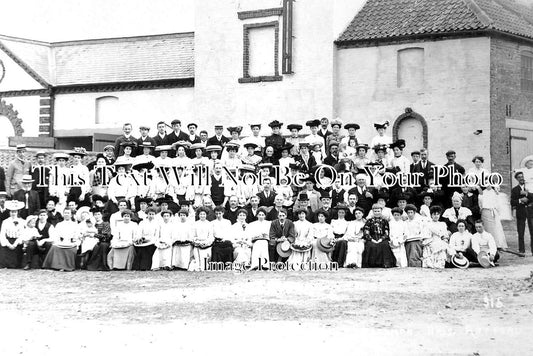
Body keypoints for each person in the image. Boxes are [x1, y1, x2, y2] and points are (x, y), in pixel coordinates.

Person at [479, 185, 508, 250]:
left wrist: (496, 211)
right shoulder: (482, 192)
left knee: (495, 229)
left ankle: (497, 244)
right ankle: (487, 245)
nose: (487, 185)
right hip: (485, 212)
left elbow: (498, 203)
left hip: (493, 212)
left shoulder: (495, 192)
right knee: (486, 229)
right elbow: (480, 204)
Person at [511, 171, 533, 255]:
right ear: (517, 179)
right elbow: (512, 202)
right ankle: (521, 250)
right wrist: (520, 200)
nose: (521, 178)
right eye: (519, 177)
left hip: (531, 212)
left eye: (522, 176)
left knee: (532, 231)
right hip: (520, 212)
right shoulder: (515, 190)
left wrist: (526, 194)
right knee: (521, 232)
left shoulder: (529, 187)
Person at [0, 200, 26, 268]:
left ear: (17, 212)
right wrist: (8, 244)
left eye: (15, 212)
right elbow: (2, 234)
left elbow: (22, 234)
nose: (13, 213)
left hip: (17, 242)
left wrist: (15, 244)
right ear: (9, 212)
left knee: (16, 262)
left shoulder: (21, 221)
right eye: (12, 212)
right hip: (8, 241)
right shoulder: (5, 222)